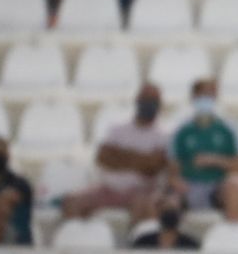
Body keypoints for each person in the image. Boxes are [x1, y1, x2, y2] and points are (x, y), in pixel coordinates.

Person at [63, 83, 168, 222]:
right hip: (109, 189)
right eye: (145, 99)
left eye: (153, 100)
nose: (148, 103)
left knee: (145, 206)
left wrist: (120, 155)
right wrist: (142, 159)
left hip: (141, 192)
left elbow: (153, 167)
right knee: (72, 201)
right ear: (137, 101)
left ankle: (135, 241)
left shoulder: (163, 134)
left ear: (159, 104)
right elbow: (103, 158)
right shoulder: (117, 129)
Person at [168, 78, 238, 223]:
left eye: (211, 95)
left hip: (216, 188)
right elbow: (173, 169)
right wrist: (177, 182)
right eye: (203, 95)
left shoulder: (227, 129)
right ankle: (171, 242)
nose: (206, 100)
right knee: (170, 202)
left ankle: (236, 237)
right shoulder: (181, 131)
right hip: (189, 186)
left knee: (234, 187)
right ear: (193, 98)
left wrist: (215, 160)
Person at [131, 190, 199, 249]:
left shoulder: (190, 244)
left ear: (182, 214)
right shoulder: (143, 242)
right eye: (166, 210)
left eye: (173, 210)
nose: (169, 214)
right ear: (159, 213)